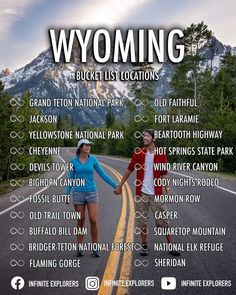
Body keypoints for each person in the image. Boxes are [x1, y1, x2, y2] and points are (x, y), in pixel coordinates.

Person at [114, 129, 180, 256]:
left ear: (153, 139)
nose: (144, 138)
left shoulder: (161, 154)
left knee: (164, 221)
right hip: (142, 193)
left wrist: (167, 189)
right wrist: (120, 185)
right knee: (142, 221)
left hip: (156, 193)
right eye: (144, 136)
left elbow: (164, 173)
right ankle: (144, 246)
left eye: (147, 136)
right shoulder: (139, 153)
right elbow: (129, 169)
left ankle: (171, 246)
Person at [66, 139, 118, 258]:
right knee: (80, 220)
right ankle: (80, 247)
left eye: (89, 145)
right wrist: (66, 194)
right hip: (78, 193)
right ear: (80, 147)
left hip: (92, 193)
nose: (89, 147)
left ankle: (95, 247)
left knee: (93, 219)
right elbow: (70, 179)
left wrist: (116, 186)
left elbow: (103, 174)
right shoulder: (74, 161)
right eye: (86, 145)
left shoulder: (93, 160)